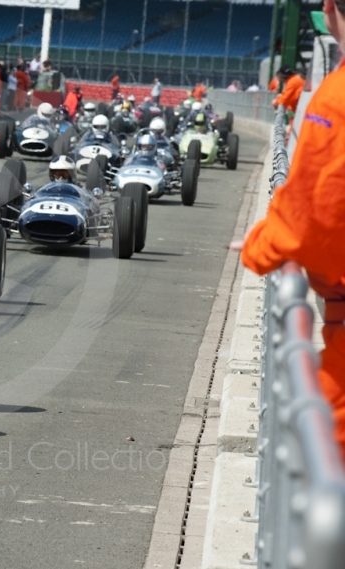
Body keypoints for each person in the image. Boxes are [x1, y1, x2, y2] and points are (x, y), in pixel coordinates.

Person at [235, 0, 345, 461]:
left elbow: (312, 223)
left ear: (330, 10)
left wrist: (260, 247)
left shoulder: (336, 96)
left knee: (318, 462)